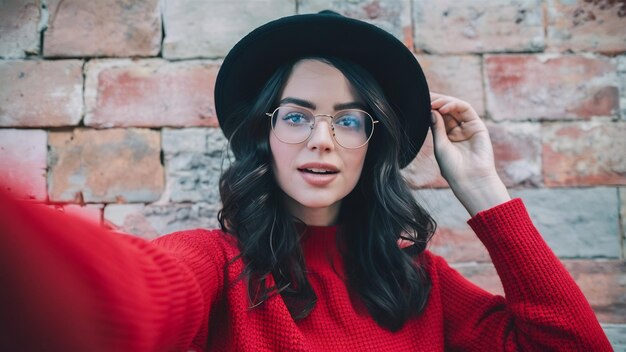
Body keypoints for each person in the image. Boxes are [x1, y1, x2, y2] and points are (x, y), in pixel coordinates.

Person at [0, 10, 612, 352]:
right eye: (296, 116)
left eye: (349, 120)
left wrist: (484, 190)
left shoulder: (421, 284)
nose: (321, 138)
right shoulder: (213, 265)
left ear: (374, 145)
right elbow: (121, 302)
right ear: (265, 135)